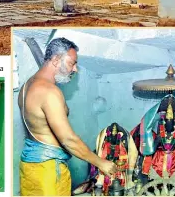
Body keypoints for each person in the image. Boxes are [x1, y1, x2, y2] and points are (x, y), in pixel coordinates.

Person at [18, 37, 117, 196]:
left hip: (31, 167)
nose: (75, 69)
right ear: (56, 60)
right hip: (48, 171)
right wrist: (101, 163)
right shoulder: (49, 92)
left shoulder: (27, 85)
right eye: (72, 63)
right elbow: (68, 140)